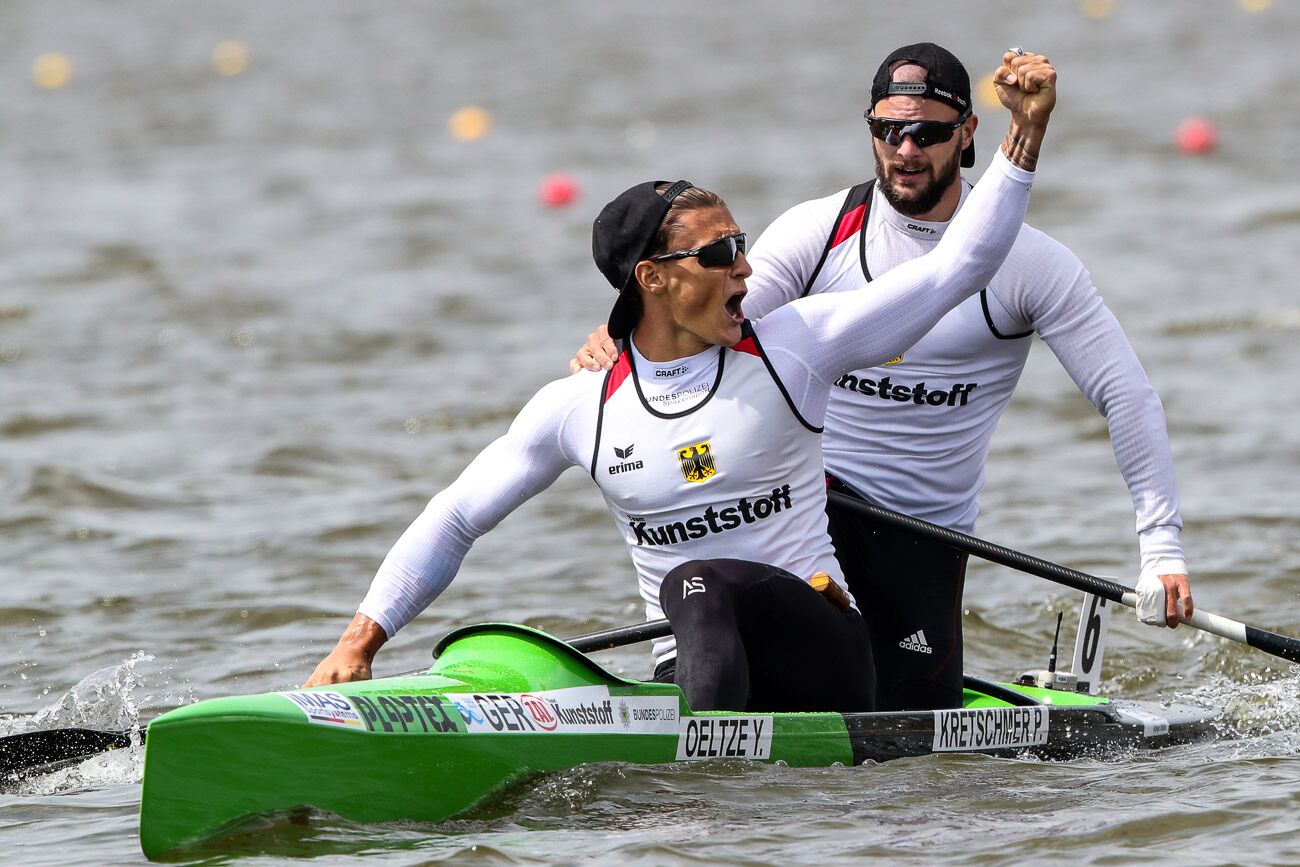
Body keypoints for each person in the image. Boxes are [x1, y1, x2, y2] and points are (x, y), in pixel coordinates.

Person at [306, 50, 1057, 715]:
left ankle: (693, 791)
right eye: (721, 250)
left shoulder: (795, 348)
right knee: (686, 601)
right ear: (653, 280)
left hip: (824, 661)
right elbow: (455, 516)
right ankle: (695, 749)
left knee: (698, 581)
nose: (747, 266)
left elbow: (960, 266)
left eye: (741, 242)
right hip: (697, 659)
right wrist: (360, 640)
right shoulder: (581, 407)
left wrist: (1022, 136)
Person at [573, 43, 1191, 712]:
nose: (905, 150)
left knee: (909, 754)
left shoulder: (1032, 266)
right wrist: (621, 340)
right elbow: (710, 322)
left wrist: (1161, 549)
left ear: (969, 135)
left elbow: (1124, 394)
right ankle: (695, 724)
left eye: (926, 133)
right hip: (810, 512)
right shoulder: (817, 233)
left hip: (921, 538)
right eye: (887, 130)